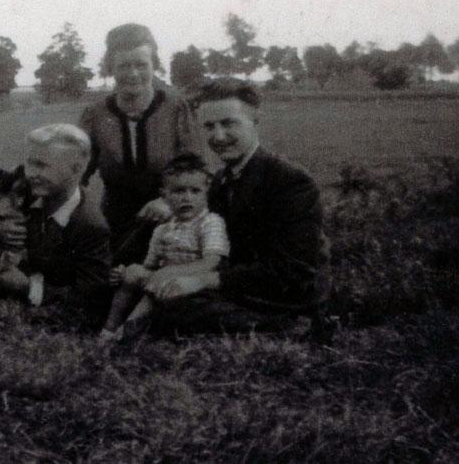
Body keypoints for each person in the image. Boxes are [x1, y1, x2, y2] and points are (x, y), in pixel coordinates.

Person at [137, 79, 331, 336]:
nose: (218, 136)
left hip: (283, 295)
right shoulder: (218, 182)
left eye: (229, 123)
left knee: (173, 310)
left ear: (255, 120)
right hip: (239, 288)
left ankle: (290, 326)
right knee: (154, 293)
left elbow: (293, 272)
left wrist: (202, 281)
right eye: (208, 126)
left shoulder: (290, 181)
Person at [0, 124, 112, 323]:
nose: (30, 173)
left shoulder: (90, 225)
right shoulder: (28, 189)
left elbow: (91, 295)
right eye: (29, 163)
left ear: (78, 169)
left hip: (34, 288)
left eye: (42, 165)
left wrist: (27, 287)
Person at [79, 23, 202, 256]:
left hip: (175, 219)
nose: (133, 73)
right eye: (124, 65)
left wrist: (167, 201)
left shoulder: (176, 107)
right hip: (115, 224)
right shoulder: (96, 114)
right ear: (110, 68)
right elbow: (77, 170)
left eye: (141, 64)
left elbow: (195, 167)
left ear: (154, 65)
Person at [99, 153, 229, 341]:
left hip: (198, 283)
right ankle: (108, 328)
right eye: (179, 191)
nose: (187, 198)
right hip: (162, 279)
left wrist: (170, 273)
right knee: (134, 271)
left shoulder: (209, 222)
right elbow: (150, 266)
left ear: (206, 192)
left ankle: (126, 332)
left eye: (195, 191)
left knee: (160, 281)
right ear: (164, 195)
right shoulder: (163, 229)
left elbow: (212, 262)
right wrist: (126, 272)